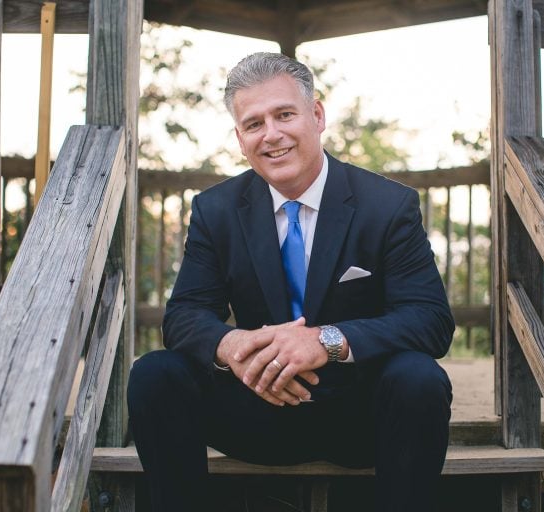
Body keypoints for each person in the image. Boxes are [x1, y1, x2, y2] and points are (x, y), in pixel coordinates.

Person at [128, 52, 455, 512]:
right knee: (154, 373)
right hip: (257, 410)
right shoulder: (215, 211)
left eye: (284, 115)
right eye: (254, 123)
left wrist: (327, 340)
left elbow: (430, 321)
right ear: (240, 138)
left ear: (316, 115)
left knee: (420, 378)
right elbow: (184, 317)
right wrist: (236, 348)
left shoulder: (388, 206)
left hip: (358, 415)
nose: (272, 135)